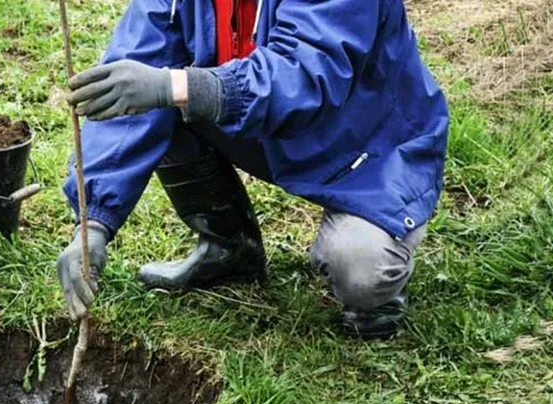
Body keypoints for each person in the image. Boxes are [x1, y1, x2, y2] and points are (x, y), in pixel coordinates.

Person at [56, 0, 449, 339]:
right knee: (154, 96)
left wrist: (176, 86)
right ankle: (229, 249)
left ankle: (377, 302)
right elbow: (134, 73)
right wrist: (93, 222)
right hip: (262, 122)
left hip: (366, 145)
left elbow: (307, 76)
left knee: (360, 267)